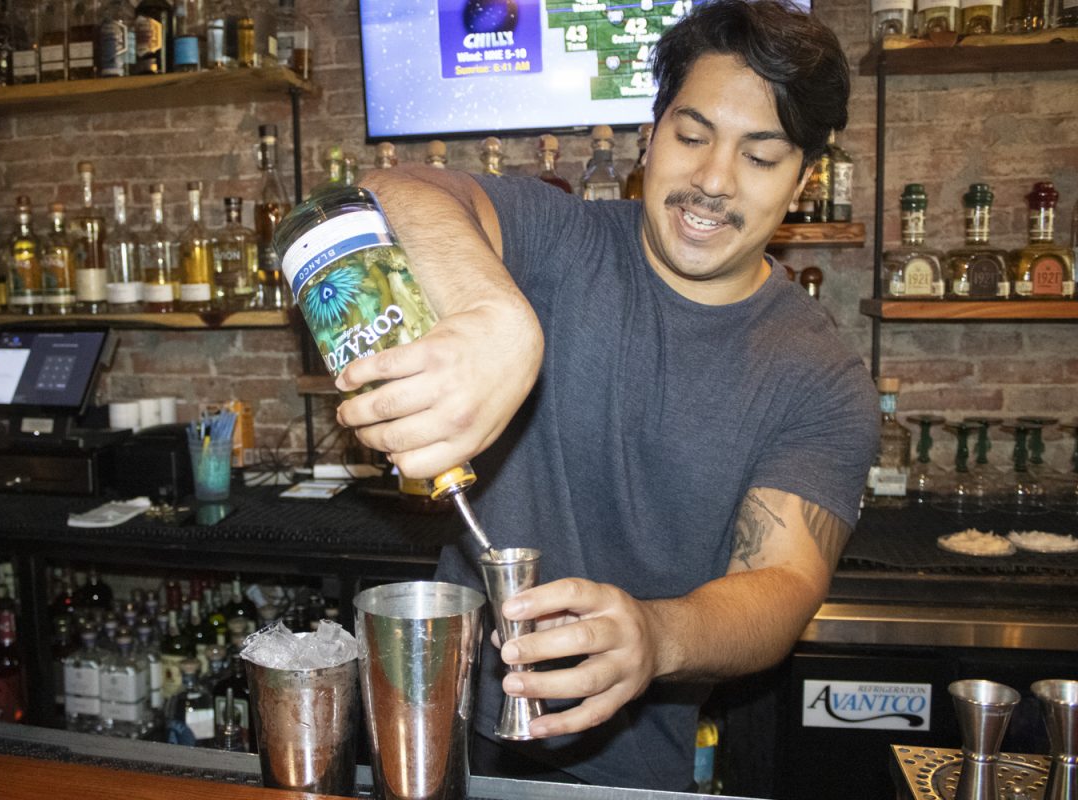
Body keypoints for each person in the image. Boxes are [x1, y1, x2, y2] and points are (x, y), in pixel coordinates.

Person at [334, 0, 880, 790]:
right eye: (691, 137)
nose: (712, 181)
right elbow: (395, 189)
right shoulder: (561, 241)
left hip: (632, 765)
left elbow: (783, 585)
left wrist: (656, 636)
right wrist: (496, 318)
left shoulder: (821, 376)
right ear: (650, 137)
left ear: (803, 180)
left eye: (760, 158)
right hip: (443, 733)